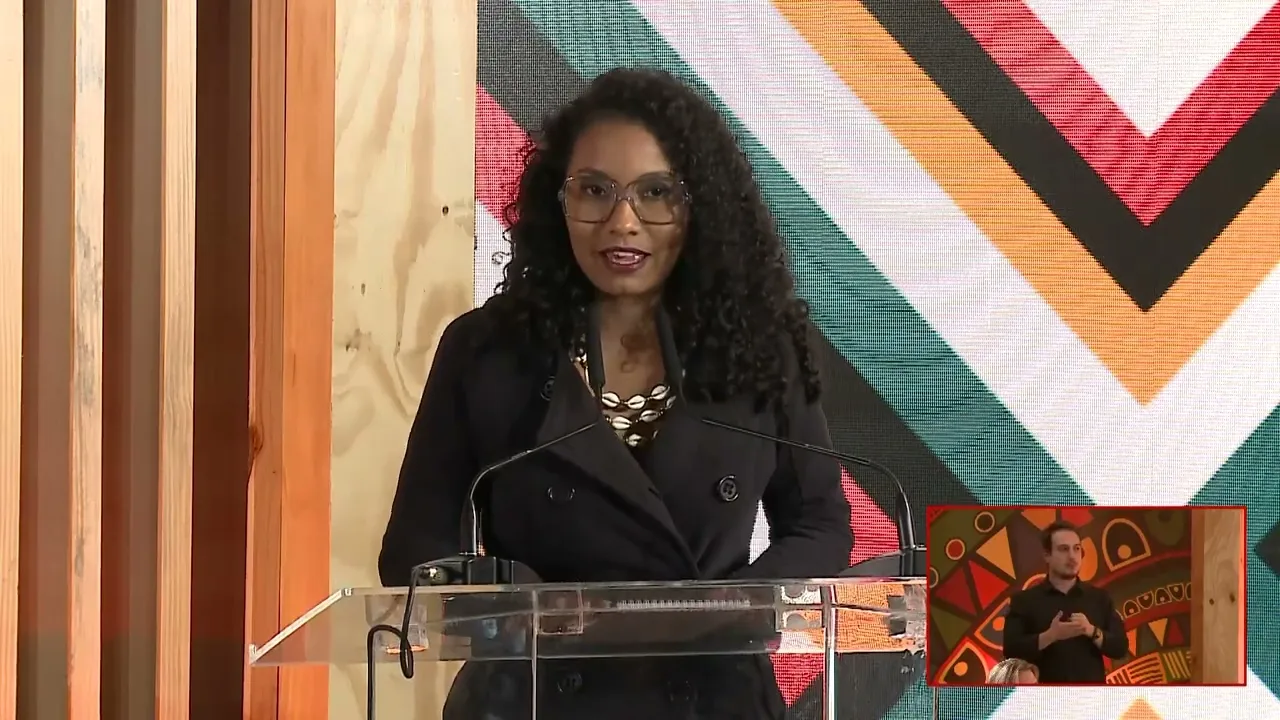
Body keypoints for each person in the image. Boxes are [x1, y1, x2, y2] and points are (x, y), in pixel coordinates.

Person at [377, 67, 853, 719]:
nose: (622, 222)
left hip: (710, 696)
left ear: (699, 206)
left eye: (656, 192)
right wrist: (519, 601)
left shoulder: (759, 348)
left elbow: (820, 525)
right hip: (535, 698)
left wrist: (730, 610)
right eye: (595, 190)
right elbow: (413, 551)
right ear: (559, 201)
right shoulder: (486, 351)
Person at [1001, 520, 1127, 683]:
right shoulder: (1024, 601)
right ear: (1047, 555)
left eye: (1076, 548)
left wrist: (1091, 631)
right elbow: (1010, 652)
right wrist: (1050, 636)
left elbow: (1120, 648)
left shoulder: (1100, 598)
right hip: (1045, 695)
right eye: (1064, 549)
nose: (1072, 556)